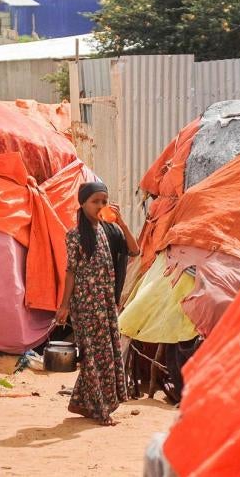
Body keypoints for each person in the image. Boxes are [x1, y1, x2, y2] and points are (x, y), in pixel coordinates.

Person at [55, 181, 141, 426]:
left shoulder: (108, 231)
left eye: (104, 201)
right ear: (82, 203)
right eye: (95, 201)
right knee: (94, 356)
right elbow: (71, 272)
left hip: (105, 303)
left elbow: (134, 251)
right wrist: (65, 306)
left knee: (106, 353)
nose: (100, 205)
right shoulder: (74, 236)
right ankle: (102, 411)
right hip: (85, 304)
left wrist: (122, 223)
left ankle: (81, 404)